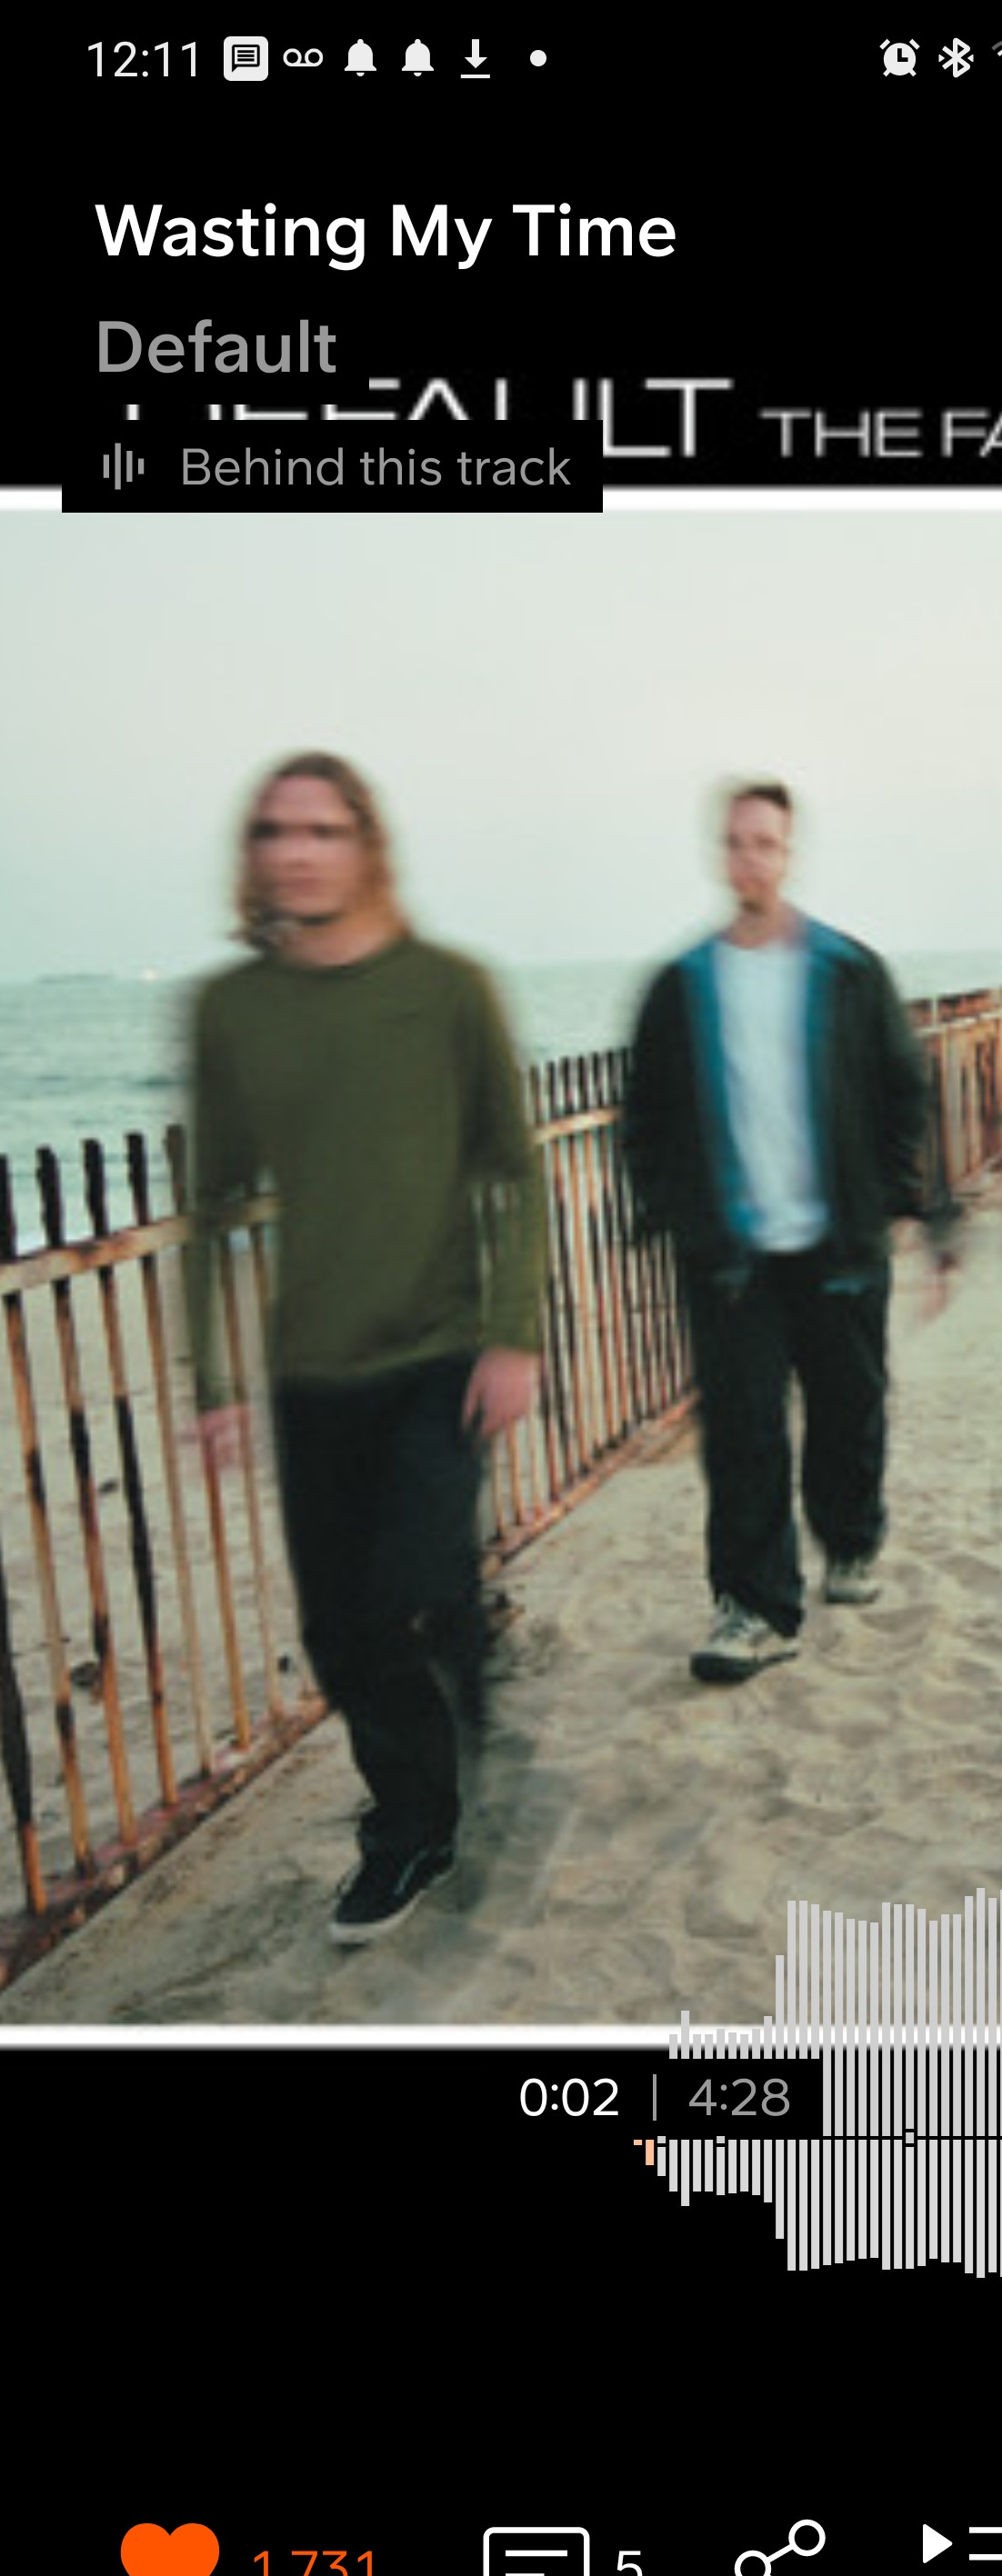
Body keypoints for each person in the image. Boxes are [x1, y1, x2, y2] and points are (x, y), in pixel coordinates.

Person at [187, 753, 545, 1938]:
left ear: (366, 845)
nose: (298, 852)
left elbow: (515, 1168)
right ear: (254, 854)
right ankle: (422, 1808)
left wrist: (513, 1332)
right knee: (338, 1630)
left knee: (421, 1589)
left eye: (323, 830)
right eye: (275, 831)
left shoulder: (448, 989)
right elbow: (213, 1203)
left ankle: (414, 1820)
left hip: (438, 1351)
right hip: (310, 1371)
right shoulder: (231, 1010)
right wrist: (213, 1380)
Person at [625, 781, 948, 1683]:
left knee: (849, 1406)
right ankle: (755, 1605)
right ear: (719, 854)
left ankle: (850, 1538)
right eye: (736, 842)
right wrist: (672, 1210)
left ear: (789, 853)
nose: (751, 859)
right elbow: (645, 1111)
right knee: (742, 1430)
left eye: (766, 843)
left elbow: (904, 1088)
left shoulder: (847, 970)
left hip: (837, 1244)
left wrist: (893, 1198)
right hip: (733, 1257)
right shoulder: (682, 984)